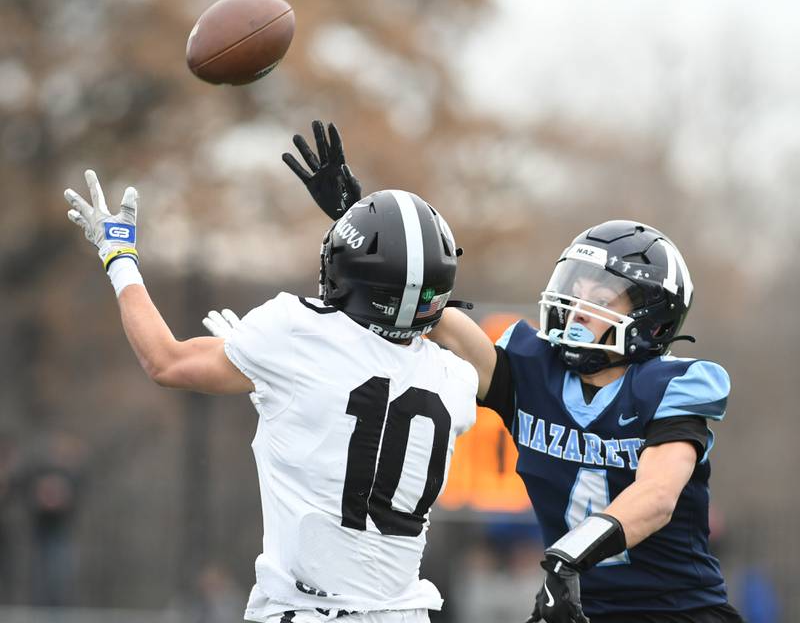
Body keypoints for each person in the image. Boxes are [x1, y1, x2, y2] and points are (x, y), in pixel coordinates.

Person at [293, 125, 745, 623]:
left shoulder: (671, 386)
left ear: (651, 319)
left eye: (598, 300)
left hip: (677, 612)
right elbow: (433, 313)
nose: (576, 310)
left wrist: (569, 555)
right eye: (575, 291)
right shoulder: (533, 373)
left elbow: (657, 497)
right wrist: (365, 234)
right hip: (577, 607)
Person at [61, 123, 478, 623]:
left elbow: (164, 360)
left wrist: (119, 256)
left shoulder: (295, 333)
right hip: (406, 614)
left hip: (305, 612)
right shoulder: (457, 380)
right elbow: (401, 335)